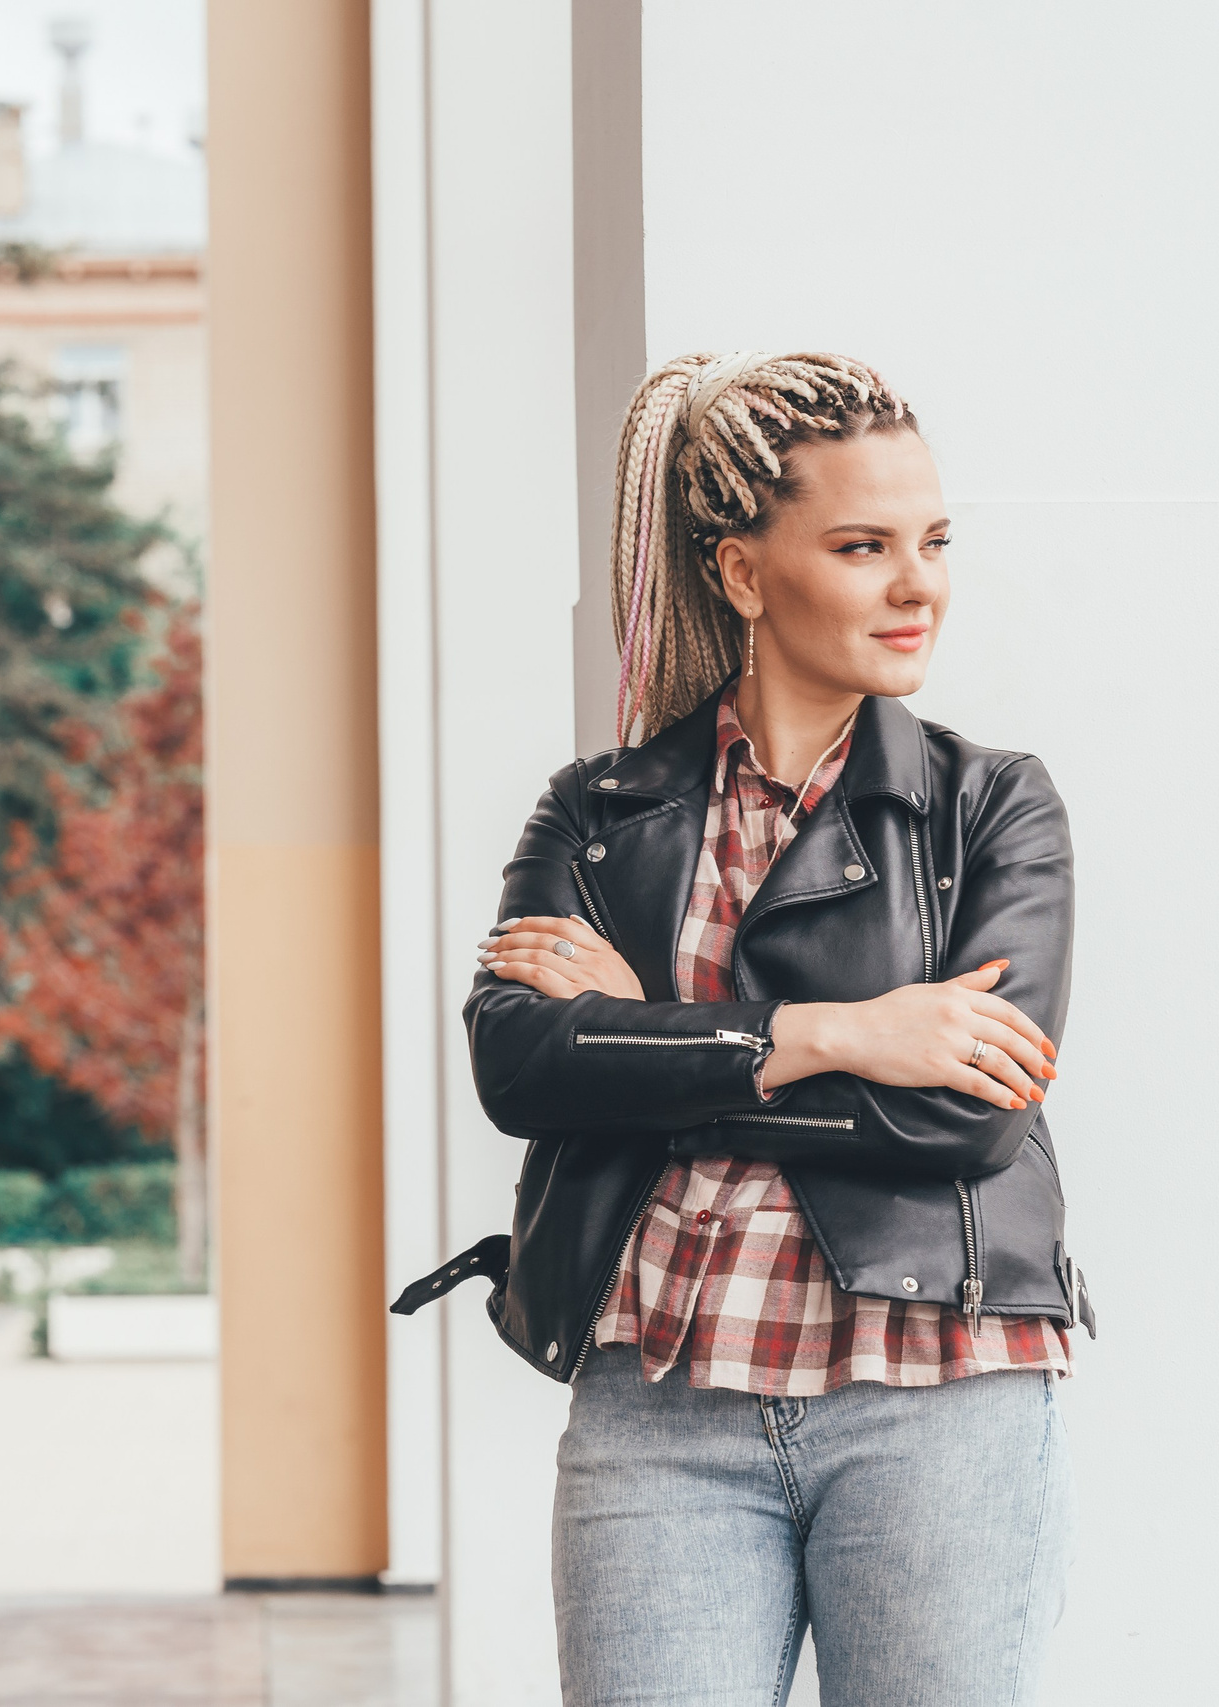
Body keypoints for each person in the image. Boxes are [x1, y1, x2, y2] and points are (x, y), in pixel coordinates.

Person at [415, 353, 1092, 1705]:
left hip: (935, 1399)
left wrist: (653, 1038)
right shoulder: (597, 812)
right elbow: (522, 1062)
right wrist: (842, 1030)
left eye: (933, 541)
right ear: (740, 571)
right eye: (862, 545)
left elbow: (967, 1110)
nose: (919, 585)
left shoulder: (990, 811)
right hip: (656, 1406)